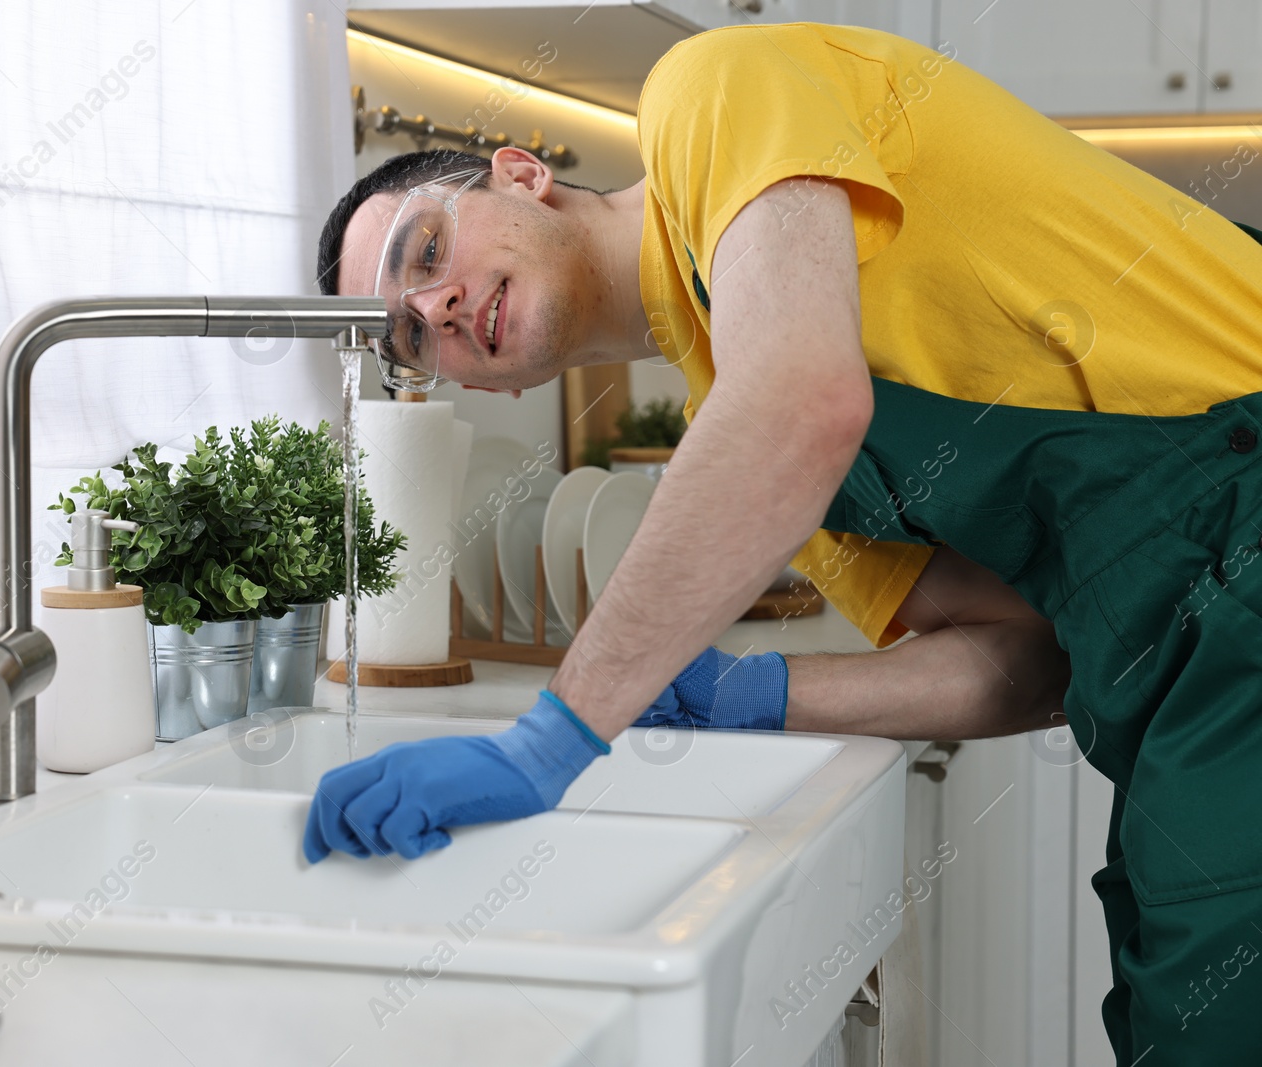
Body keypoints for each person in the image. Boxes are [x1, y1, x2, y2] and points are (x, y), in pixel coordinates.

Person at [307, 22, 1262, 1063]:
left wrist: (553, 740)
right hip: (1188, 695)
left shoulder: (710, 93)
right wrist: (747, 692)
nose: (436, 305)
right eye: (410, 334)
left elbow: (799, 398)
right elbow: (1029, 657)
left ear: (523, 174)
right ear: (495, 388)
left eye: (426, 252)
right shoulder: (794, 476)